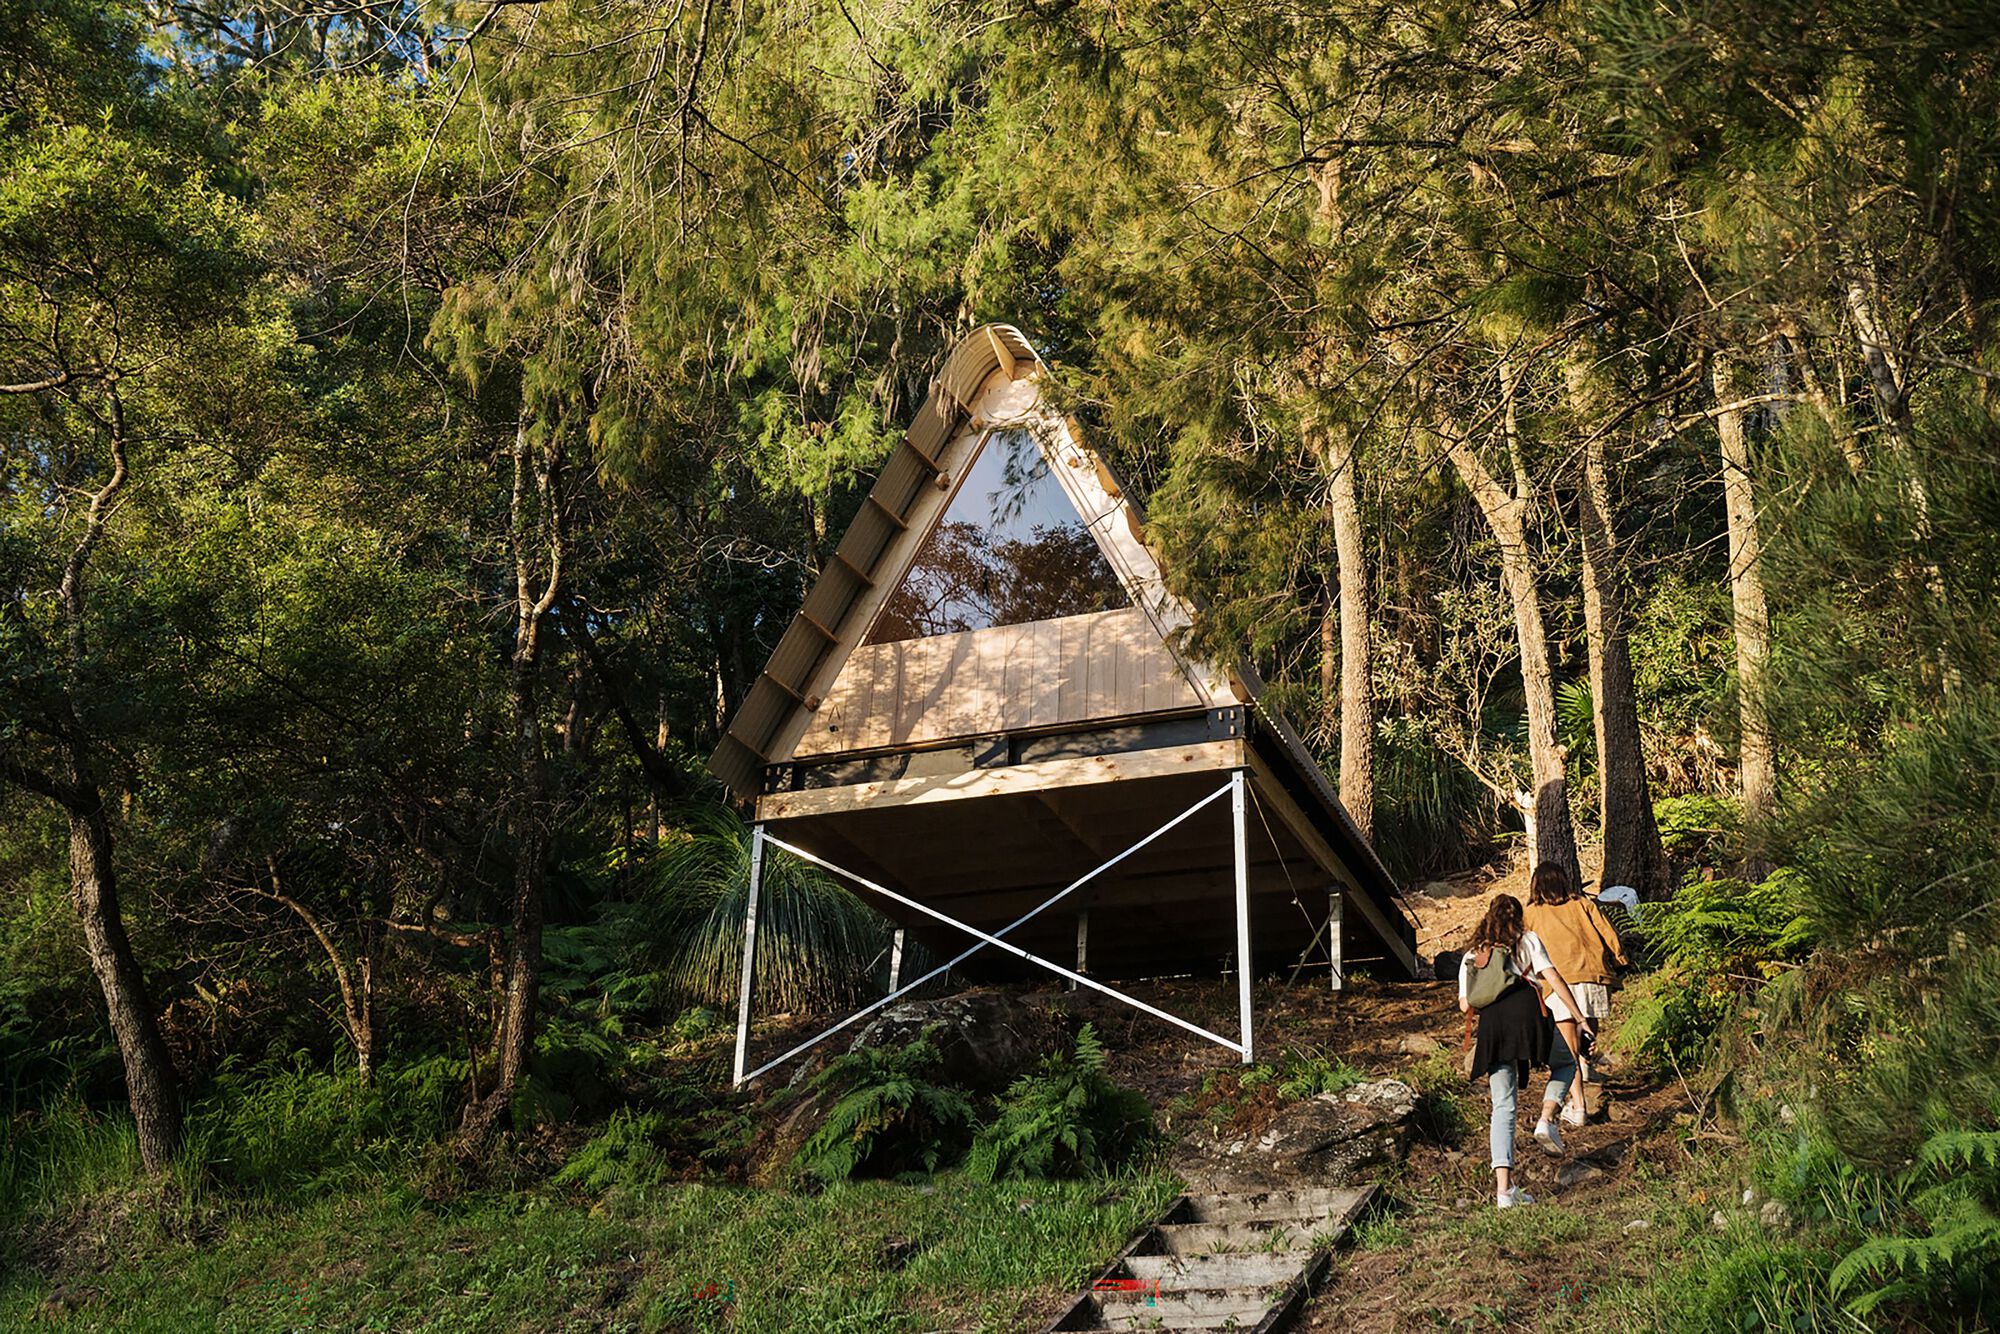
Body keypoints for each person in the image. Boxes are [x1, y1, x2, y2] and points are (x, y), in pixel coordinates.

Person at [1459, 893, 1595, 1209]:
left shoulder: (1472, 956)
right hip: (1528, 1015)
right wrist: (1579, 1018)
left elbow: (1466, 1004)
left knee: (1503, 1106)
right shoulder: (1528, 940)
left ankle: (1504, 1192)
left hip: (1493, 1026)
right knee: (1566, 1064)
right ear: (1518, 918)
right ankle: (1547, 1119)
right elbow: (1553, 979)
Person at [1523, 864, 1630, 1120]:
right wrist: (1620, 959)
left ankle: (1578, 1105)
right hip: (1593, 974)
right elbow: (1608, 932)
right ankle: (1586, 1067)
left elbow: (1523, 949)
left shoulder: (1531, 913)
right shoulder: (1583, 904)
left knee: (1567, 1045)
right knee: (1588, 1029)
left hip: (1558, 981)